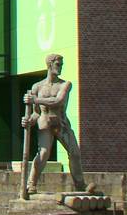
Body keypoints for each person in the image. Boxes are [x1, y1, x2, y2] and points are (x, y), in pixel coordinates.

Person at [22, 52, 87, 193]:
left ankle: (80, 185)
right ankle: (31, 184)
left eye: (61, 65)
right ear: (49, 65)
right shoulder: (37, 87)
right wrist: (28, 121)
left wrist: (35, 100)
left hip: (61, 124)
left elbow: (58, 101)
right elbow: (36, 113)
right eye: (58, 64)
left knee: (74, 153)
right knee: (43, 153)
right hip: (45, 125)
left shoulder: (65, 85)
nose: (60, 67)